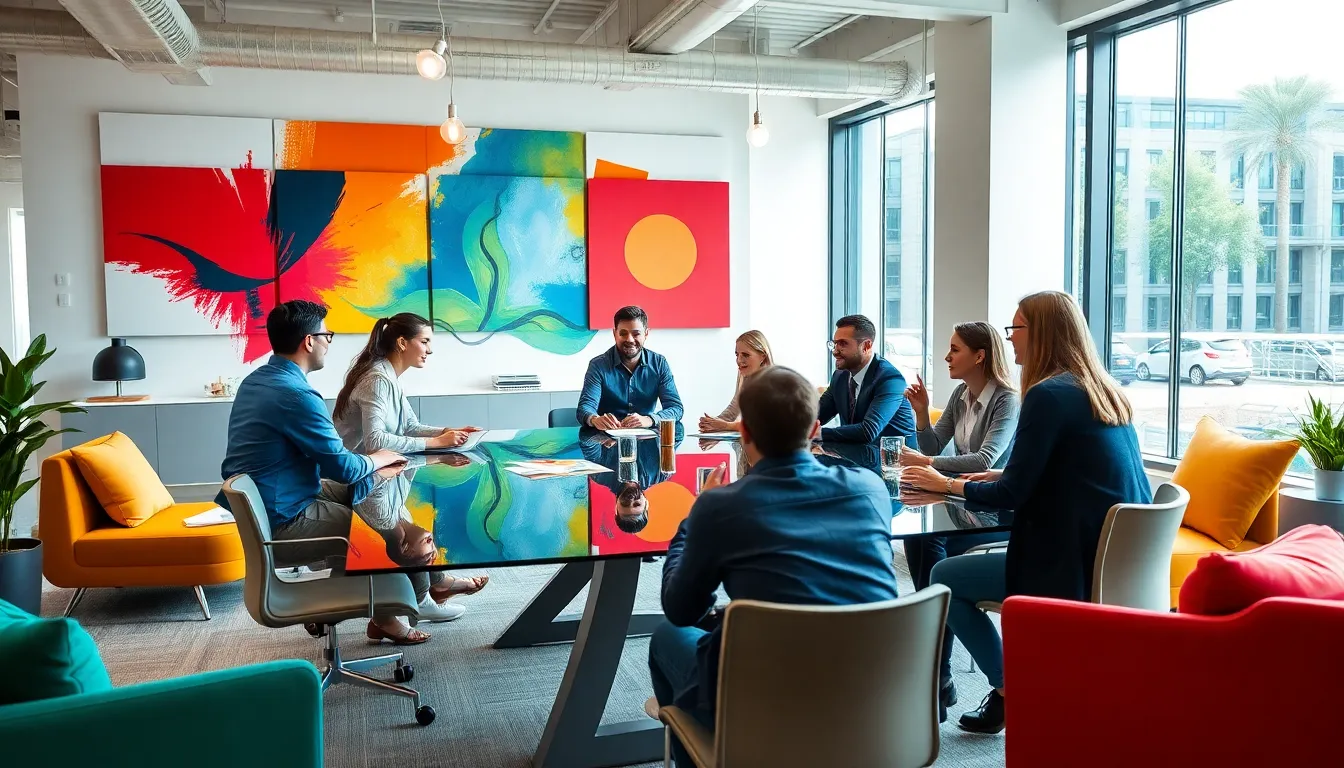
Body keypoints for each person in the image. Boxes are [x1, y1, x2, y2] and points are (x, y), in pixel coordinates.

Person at [903, 291, 1151, 735]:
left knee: (943, 576)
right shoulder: (1102, 389)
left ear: (1041, 334)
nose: (1010, 339)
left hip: (1066, 563)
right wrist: (989, 476)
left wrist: (948, 486)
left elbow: (1016, 493)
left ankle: (1008, 690)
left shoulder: (1047, 395)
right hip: (1112, 559)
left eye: (1015, 329)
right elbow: (1053, 473)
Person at [649, 366, 900, 765]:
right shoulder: (871, 489)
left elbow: (681, 609)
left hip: (766, 704)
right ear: (816, 429)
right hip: (874, 699)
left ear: (744, 433)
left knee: (665, 636)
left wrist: (693, 519)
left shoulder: (721, 506)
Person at [218, 300, 426, 645]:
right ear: (309, 341)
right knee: (379, 532)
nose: (329, 342)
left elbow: (335, 461)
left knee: (370, 499)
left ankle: (402, 598)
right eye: (326, 334)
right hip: (282, 516)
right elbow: (343, 466)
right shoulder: (296, 395)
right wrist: (379, 458)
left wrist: (374, 467)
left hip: (282, 494)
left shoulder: (258, 380)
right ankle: (388, 607)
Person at [332, 313, 490, 623]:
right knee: (412, 541)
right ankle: (420, 601)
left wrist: (450, 432)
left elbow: (410, 426)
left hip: (381, 477)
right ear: (403, 342)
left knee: (416, 533)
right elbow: (377, 440)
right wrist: (436, 443)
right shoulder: (377, 379)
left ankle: (434, 589)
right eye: (425, 341)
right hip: (365, 481)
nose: (430, 349)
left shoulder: (389, 376)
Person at [899, 321, 1021, 718]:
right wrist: (921, 416)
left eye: (954, 350)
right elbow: (934, 443)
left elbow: (987, 460)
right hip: (961, 503)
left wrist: (930, 464)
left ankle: (937, 675)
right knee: (922, 542)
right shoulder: (960, 394)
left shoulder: (1007, 400)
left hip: (994, 511)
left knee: (932, 551)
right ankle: (939, 675)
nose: (947, 357)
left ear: (979, 355)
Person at [577, 306, 684, 431]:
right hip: (606, 441)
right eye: (623, 333)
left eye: (636, 333)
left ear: (646, 334)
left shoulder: (659, 363)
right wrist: (594, 419)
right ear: (614, 334)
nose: (629, 339)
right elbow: (584, 408)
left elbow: (676, 408)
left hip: (647, 440)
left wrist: (650, 419)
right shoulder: (598, 365)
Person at [817, 314, 916, 443]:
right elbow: (817, 414)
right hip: (854, 457)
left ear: (866, 346)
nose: (835, 351)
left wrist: (816, 434)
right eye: (834, 344)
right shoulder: (840, 376)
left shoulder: (890, 379)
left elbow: (868, 431)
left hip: (895, 460)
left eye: (843, 344)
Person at [697, 330, 773, 434]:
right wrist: (712, 422)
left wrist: (725, 425)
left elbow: (762, 424)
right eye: (737, 355)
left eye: (745, 355)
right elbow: (734, 408)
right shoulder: (744, 375)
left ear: (763, 356)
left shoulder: (773, 382)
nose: (739, 360)